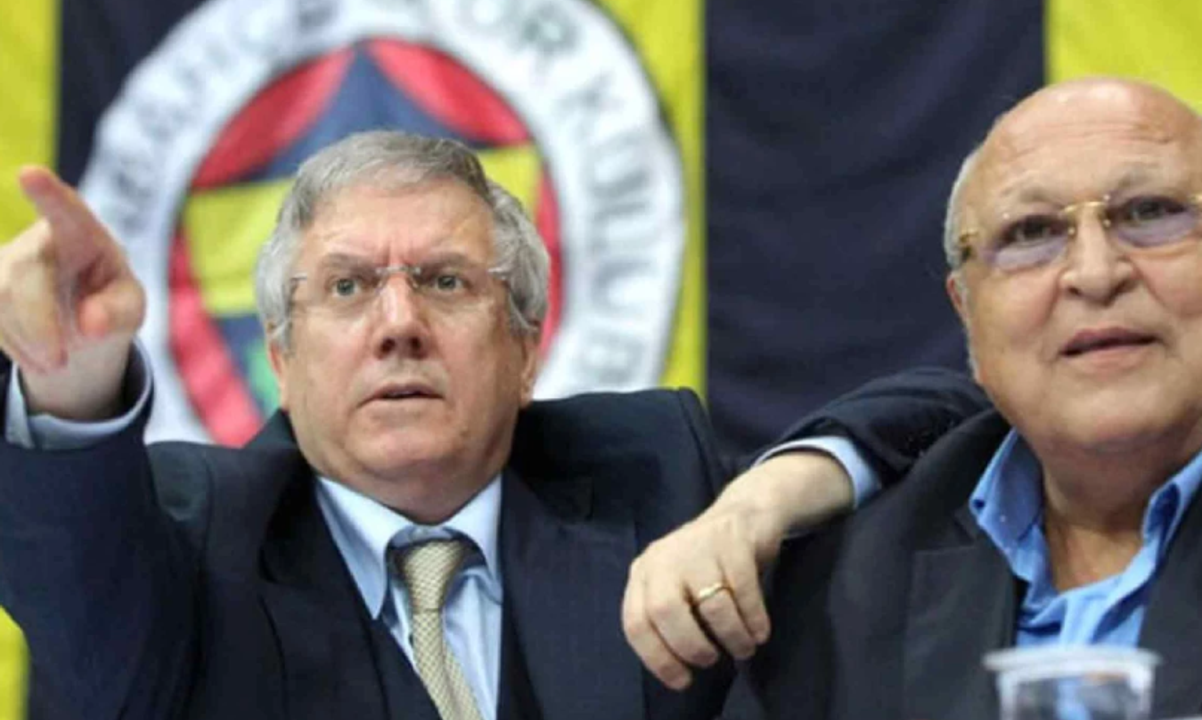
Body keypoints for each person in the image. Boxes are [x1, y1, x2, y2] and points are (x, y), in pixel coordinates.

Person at [0, 132, 985, 720]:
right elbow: (73, 569)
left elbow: (952, 418)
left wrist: (754, 506)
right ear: (282, 361)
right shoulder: (195, 538)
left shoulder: (652, 475)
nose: (398, 325)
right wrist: (73, 385)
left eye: (445, 282)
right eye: (346, 288)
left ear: (524, 348)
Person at [713, 77, 1202, 720]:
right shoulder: (843, 594)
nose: (1095, 274)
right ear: (968, 314)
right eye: (1031, 232)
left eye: (1150, 212)